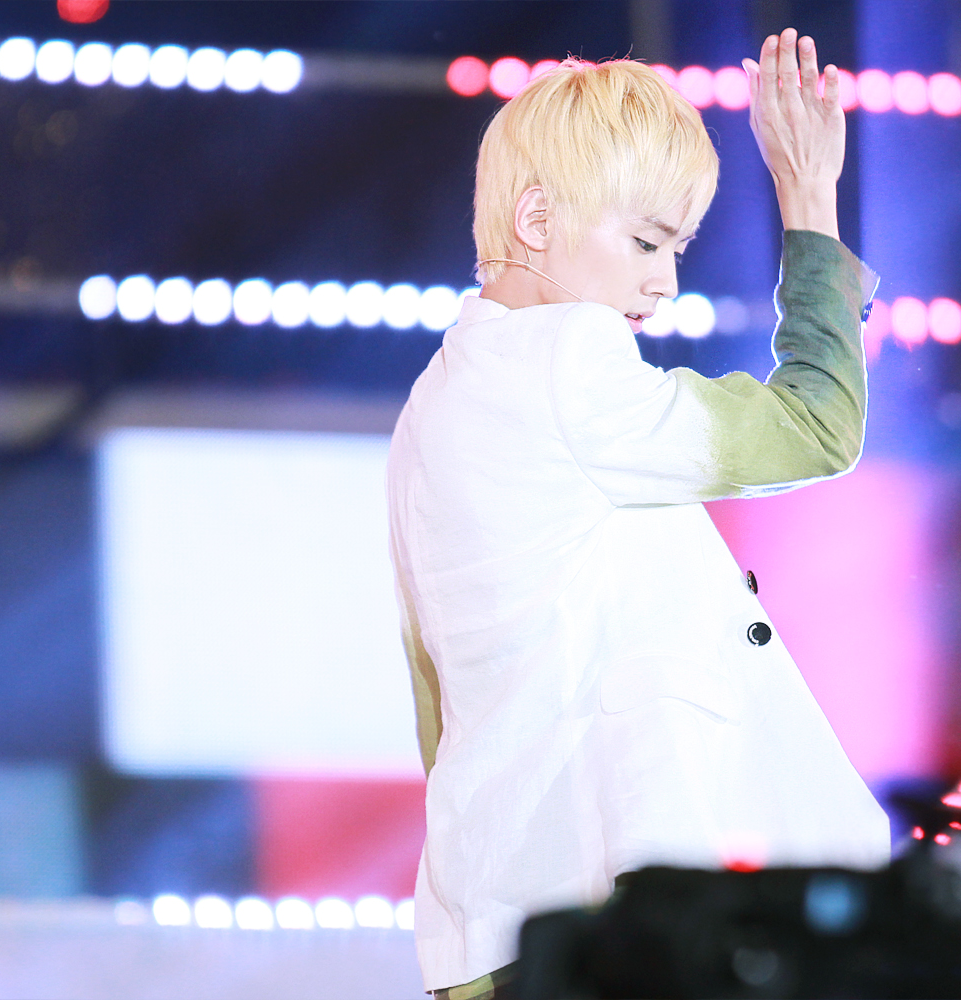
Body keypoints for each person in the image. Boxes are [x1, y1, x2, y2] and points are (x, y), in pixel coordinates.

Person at [387, 29, 890, 1000]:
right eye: (647, 243)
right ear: (537, 217)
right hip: (612, 917)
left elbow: (434, 701)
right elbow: (817, 427)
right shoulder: (566, 362)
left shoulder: (432, 406)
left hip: (494, 917)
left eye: (677, 250)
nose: (665, 282)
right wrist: (809, 196)